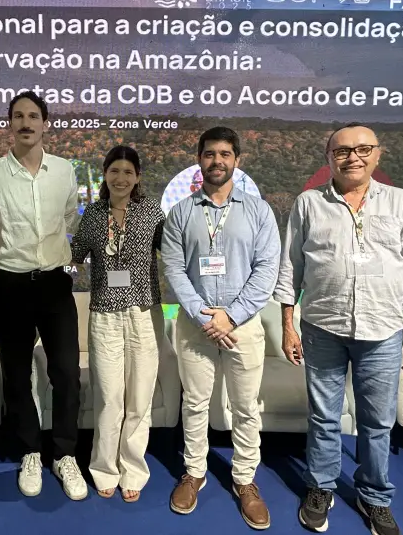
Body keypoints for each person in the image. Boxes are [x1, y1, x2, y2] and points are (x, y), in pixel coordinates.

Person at [274, 123, 403, 535]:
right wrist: (288, 326)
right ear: (329, 158)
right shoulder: (309, 203)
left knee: (377, 422)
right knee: (324, 417)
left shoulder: (399, 202)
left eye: (363, 149)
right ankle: (321, 486)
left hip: (383, 331)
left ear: (378, 154)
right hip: (322, 327)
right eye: (342, 151)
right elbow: (291, 267)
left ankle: (374, 497)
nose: (353, 157)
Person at [161, 126, 281, 530]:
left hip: (242, 326)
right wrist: (203, 315)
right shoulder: (181, 213)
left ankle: (245, 479)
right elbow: (174, 269)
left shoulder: (259, 211)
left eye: (225, 154)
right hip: (195, 327)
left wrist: (231, 316)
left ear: (237, 160)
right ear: (199, 159)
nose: (217, 161)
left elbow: (267, 270)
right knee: (195, 404)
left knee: (245, 407)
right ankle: (194, 472)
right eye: (210, 154)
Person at [0, 91, 87, 501]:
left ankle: (65, 454)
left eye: (34, 116)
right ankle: (30, 452)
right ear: (10, 123)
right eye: (19, 116)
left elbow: (70, 218)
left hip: (55, 284)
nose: (26, 123)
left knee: (66, 373)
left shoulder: (64, 171)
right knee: (18, 375)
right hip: (11, 285)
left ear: (45, 123)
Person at [70, 145, 165, 502]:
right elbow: (74, 257)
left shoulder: (152, 211)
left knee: (139, 400)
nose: (120, 178)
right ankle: (104, 468)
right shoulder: (94, 214)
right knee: (109, 398)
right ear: (105, 175)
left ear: (137, 177)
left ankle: (133, 470)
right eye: (114, 171)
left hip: (144, 313)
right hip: (105, 315)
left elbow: (173, 251)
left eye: (128, 172)